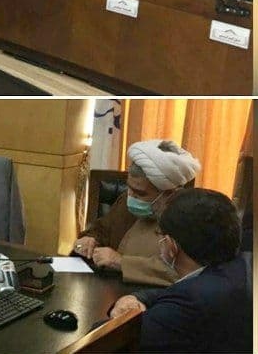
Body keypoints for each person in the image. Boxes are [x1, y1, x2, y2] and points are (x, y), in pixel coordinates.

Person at [108, 189, 252, 353]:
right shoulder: (242, 265)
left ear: (171, 246)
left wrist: (115, 313)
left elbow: (109, 343)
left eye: (160, 235)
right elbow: (175, 293)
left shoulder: (191, 302)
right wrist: (137, 297)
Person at [74, 139, 200, 286]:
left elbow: (184, 273)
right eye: (129, 188)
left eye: (140, 193)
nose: (131, 196)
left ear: (170, 193)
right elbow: (102, 229)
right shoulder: (126, 201)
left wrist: (121, 262)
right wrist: (89, 239)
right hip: (107, 287)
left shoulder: (190, 219)